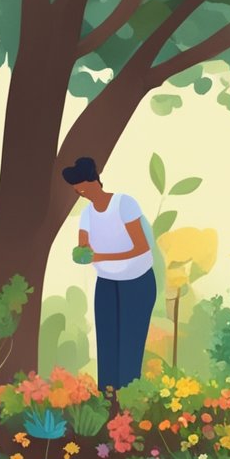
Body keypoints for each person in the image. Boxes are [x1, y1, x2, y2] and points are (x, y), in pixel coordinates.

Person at [64, 156, 157, 390]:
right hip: (106, 282)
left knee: (130, 344)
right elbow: (84, 247)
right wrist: (82, 253)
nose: (81, 193)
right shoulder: (87, 214)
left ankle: (128, 403)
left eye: (82, 187)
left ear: (93, 181)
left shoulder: (124, 204)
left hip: (137, 281)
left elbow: (141, 247)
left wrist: (101, 256)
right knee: (107, 343)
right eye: (78, 191)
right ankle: (107, 402)